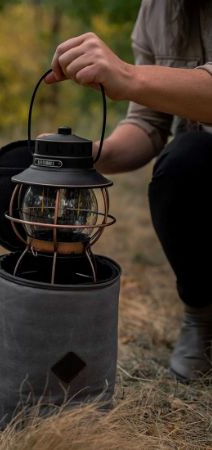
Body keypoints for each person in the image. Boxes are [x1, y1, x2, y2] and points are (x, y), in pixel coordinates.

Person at [45, 0, 212, 381]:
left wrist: (129, 76)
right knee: (184, 161)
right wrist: (88, 157)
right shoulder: (156, 9)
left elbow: (137, 84)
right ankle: (203, 315)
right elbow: (149, 121)